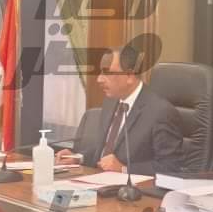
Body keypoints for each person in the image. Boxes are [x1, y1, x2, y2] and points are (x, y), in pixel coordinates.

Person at [55, 48, 184, 175]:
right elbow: (104, 151)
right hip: (98, 180)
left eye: (107, 73)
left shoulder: (161, 112)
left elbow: (171, 167)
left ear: (129, 76)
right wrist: (78, 158)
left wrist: (124, 169)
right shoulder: (111, 101)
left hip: (133, 187)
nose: (99, 79)